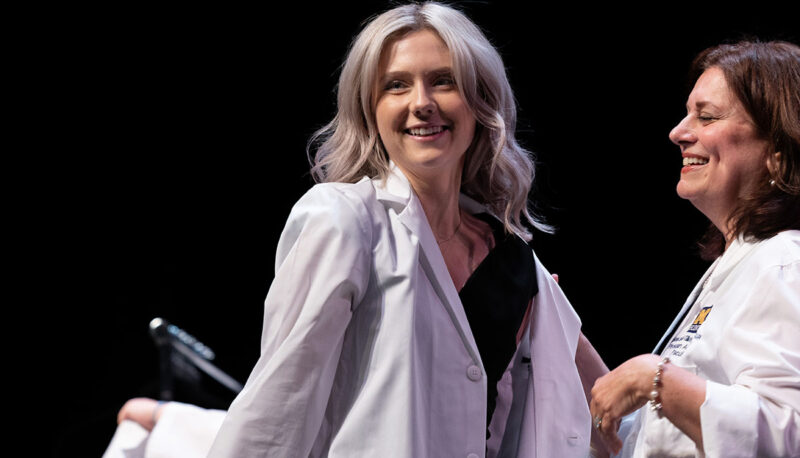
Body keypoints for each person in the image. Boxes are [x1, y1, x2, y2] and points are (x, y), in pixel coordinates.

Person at [199, 2, 609, 457]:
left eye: (444, 81)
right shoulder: (344, 219)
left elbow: (608, 409)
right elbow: (278, 408)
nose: (421, 103)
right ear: (369, 110)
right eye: (396, 85)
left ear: (481, 100)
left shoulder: (512, 258)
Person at [589, 40, 800, 457]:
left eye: (706, 117)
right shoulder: (740, 264)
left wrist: (654, 378)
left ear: (777, 152)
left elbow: (787, 434)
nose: (678, 133)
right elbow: (644, 436)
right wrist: (561, 330)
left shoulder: (783, 263)